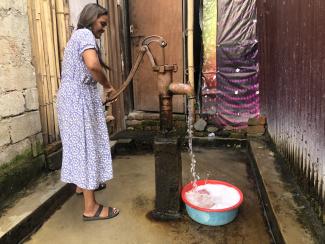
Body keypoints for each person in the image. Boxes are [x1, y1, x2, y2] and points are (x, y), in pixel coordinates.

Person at [57, 3, 119, 221]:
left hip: (72, 98)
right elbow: (93, 65)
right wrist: (109, 86)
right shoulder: (84, 34)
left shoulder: (78, 36)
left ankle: (81, 188)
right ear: (91, 19)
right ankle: (90, 208)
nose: (104, 29)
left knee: (77, 143)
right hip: (78, 99)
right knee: (85, 145)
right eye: (102, 24)